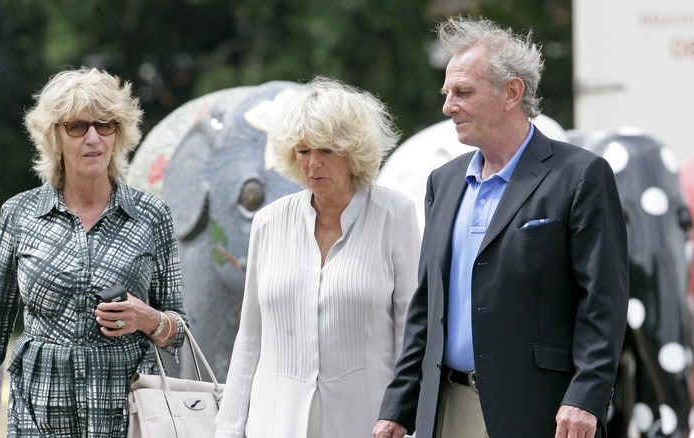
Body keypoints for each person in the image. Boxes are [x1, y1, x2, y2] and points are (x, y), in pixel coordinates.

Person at [373, 17, 628, 438]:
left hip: (543, 411)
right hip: (446, 409)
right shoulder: (444, 181)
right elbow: (426, 308)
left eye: (463, 92)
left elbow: (604, 301)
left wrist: (586, 396)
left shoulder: (581, 175)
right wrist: (399, 406)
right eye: (447, 93)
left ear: (512, 92)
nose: (447, 106)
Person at [0, 67, 187, 437]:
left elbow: (178, 329)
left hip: (128, 416)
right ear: (55, 137)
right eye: (77, 126)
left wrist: (148, 318)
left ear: (118, 135)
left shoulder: (152, 216)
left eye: (105, 125)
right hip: (39, 414)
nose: (93, 138)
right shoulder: (19, 214)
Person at [214, 76, 421, 438]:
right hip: (275, 422)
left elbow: (411, 332)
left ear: (352, 151)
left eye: (326, 150)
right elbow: (250, 338)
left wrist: (407, 418)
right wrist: (228, 429)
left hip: (369, 422)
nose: (313, 164)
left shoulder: (395, 214)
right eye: (303, 151)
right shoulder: (268, 222)